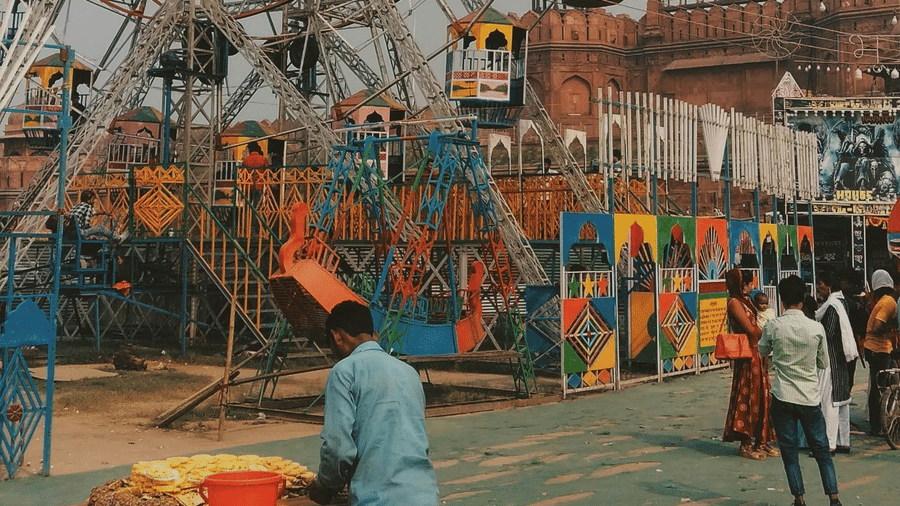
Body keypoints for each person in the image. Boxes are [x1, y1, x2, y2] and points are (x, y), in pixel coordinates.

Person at [309, 300, 439, 506]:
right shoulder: (409, 373)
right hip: (424, 494)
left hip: (378, 498)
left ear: (336, 336)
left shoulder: (344, 371)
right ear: (374, 335)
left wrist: (324, 487)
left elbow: (338, 447)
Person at [759, 275, 843, 506]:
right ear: (803, 298)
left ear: (781, 299)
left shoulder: (773, 325)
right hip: (809, 396)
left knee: (790, 452)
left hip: (783, 394)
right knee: (822, 450)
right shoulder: (815, 328)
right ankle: (833, 497)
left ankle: (799, 498)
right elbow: (823, 362)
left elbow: (762, 349)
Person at [722, 268, 778, 460]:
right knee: (748, 397)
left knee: (763, 396)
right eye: (749, 283)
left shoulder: (746, 302)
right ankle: (746, 445)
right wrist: (771, 332)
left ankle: (761, 441)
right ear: (742, 285)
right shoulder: (734, 303)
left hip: (757, 353)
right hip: (747, 356)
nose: (752, 287)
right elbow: (751, 330)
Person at [815, 266, 860, 454]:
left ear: (829, 286)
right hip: (843, 358)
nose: (817, 287)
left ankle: (829, 444)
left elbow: (829, 333)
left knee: (830, 402)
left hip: (831, 359)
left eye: (820, 284)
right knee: (842, 401)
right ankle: (843, 441)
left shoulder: (832, 306)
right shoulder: (843, 302)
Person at [862, 269, 899, 435]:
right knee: (881, 388)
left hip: (875, 348)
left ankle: (877, 425)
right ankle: (878, 426)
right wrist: (892, 327)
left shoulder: (881, 301)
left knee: (880, 386)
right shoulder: (889, 302)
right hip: (879, 348)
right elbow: (877, 327)